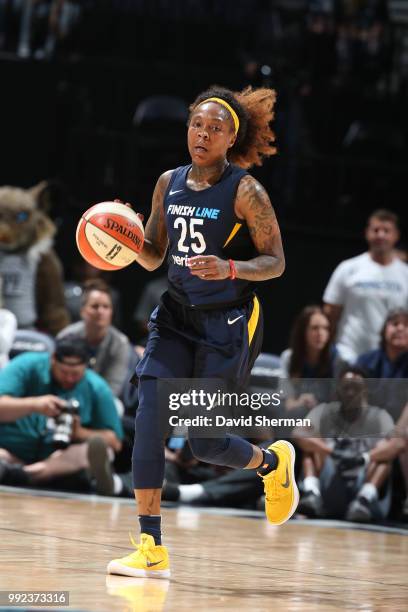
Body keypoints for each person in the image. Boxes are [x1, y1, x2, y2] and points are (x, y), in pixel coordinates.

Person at [107, 86, 299, 579]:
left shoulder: (245, 190)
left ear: (231, 137)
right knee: (149, 418)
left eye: (215, 128)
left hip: (228, 322)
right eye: (197, 124)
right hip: (174, 316)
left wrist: (230, 268)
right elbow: (152, 252)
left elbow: (276, 263)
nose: (203, 134)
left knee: (206, 443)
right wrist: (121, 233)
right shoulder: (167, 181)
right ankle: (151, 545)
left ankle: (272, 464)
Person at [0, 336, 124, 494]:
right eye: (64, 372)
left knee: (102, 451)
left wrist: (80, 433)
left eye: (76, 374)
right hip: (10, 452)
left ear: (86, 367)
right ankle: (22, 474)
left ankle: (26, 475)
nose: (69, 378)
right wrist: (33, 405)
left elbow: (115, 442)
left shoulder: (97, 387)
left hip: (57, 462)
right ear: (52, 359)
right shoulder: (27, 365)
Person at [293, 367, 394, 522]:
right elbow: (297, 433)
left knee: (385, 454)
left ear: (366, 389)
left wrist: (364, 458)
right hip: (330, 477)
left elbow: (398, 445)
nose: (350, 392)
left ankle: (364, 499)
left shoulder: (379, 416)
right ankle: (312, 493)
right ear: (338, 389)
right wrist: (330, 452)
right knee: (311, 445)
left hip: (361, 478)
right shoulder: (325, 410)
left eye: (356, 387)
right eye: (346, 387)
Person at [323, 209, 408, 362]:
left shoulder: (405, 273)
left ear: (396, 235)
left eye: (386, 231)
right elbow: (330, 313)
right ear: (367, 233)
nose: (380, 235)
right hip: (349, 355)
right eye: (376, 230)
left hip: (393, 361)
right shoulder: (348, 268)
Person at [57, 279, 131, 400]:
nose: (100, 311)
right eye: (95, 306)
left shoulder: (121, 343)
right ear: (83, 311)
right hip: (68, 395)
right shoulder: (65, 336)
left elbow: (114, 387)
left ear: (111, 312)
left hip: (102, 398)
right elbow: (58, 377)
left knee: (117, 408)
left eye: (106, 307)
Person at [280, 305, 342, 413]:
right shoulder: (289, 357)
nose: (320, 333)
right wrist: (301, 402)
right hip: (298, 414)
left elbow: (339, 406)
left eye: (325, 328)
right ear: (303, 331)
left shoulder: (338, 360)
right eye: (315, 328)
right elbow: (287, 405)